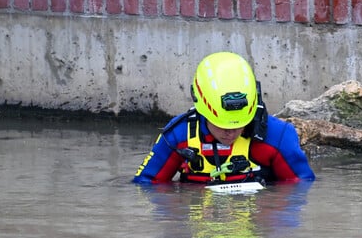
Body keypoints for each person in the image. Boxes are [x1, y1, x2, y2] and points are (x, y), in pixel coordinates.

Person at [133, 52, 315, 185]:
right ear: (202, 109)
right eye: (221, 124)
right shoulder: (178, 135)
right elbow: (145, 184)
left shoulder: (278, 136)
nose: (230, 133)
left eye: (239, 125)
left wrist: (266, 210)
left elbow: (300, 188)